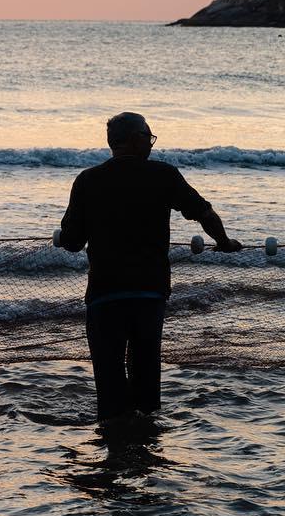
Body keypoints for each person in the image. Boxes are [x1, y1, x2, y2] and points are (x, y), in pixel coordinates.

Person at [59, 112, 242, 422]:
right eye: (149, 136)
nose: (152, 143)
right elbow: (205, 213)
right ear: (134, 139)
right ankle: (145, 447)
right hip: (149, 292)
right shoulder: (163, 175)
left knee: (109, 376)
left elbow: (73, 241)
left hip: (105, 293)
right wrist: (223, 241)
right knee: (146, 373)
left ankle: (114, 443)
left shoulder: (88, 180)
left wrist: (68, 235)